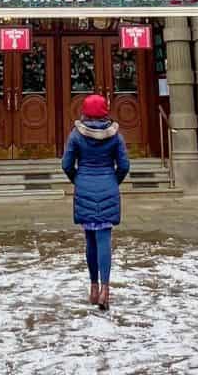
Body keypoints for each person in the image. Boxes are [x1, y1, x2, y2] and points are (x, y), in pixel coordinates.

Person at [61, 93, 130, 311]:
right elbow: (125, 165)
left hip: (85, 188)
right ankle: (105, 289)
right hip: (108, 187)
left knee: (90, 240)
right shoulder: (115, 136)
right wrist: (113, 181)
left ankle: (92, 287)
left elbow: (66, 164)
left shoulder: (76, 135)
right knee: (104, 240)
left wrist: (78, 180)